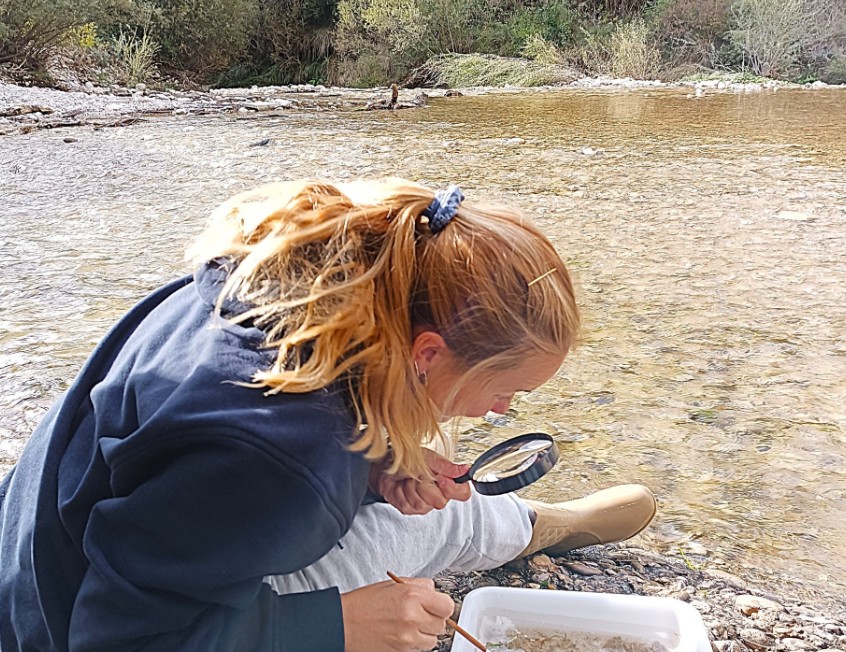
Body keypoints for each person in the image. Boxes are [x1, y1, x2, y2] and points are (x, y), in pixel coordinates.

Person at [0, 178, 656, 652]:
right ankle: (538, 527)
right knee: (412, 541)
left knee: (416, 511)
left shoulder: (278, 283)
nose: (501, 410)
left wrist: (373, 469)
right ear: (428, 352)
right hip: (50, 625)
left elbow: (213, 459)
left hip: (36, 554)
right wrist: (341, 626)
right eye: (506, 391)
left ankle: (541, 524)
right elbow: (116, 639)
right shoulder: (285, 453)